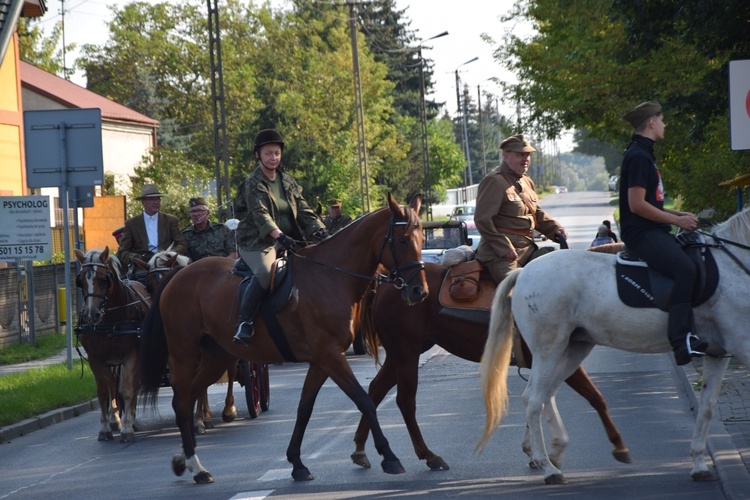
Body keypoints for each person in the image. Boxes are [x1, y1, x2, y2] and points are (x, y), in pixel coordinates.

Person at [618, 100, 708, 366]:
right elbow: (636, 205)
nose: (665, 125)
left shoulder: (644, 153)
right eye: (662, 119)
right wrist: (675, 221)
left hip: (652, 229)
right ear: (652, 122)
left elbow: (650, 203)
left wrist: (677, 215)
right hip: (641, 234)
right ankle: (681, 341)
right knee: (685, 270)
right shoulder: (638, 155)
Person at [232, 129, 328, 345]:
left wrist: (319, 229)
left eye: (276, 153)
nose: (273, 158)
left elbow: (303, 209)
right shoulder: (253, 183)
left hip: (290, 238)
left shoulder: (287, 180)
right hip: (258, 242)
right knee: (266, 273)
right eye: (268, 153)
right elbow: (260, 215)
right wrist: (279, 236)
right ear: (258, 155)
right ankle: (244, 322)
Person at [474, 133, 568, 284]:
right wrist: (504, 248)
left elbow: (536, 213)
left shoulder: (526, 182)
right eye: (520, 155)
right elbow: (482, 220)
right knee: (515, 289)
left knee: (559, 271)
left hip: (527, 250)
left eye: (528, 155)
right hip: (499, 255)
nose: (525, 159)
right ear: (506, 156)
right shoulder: (494, 181)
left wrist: (555, 229)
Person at [117, 184, 188, 276]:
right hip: (144, 265)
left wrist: (171, 254)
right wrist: (133, 258)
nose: (156, 202)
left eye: (158, 199)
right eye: (151, 199)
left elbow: (182, 243)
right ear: (143, 202)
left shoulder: (171, 220)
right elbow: (123, 251)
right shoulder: (132, 223)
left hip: (167, 262)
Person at [181, 197, 238, 262]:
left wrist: (221, 265)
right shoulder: (186, 235)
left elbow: (234, 254)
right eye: (192, 211)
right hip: (199, 269)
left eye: (199, 210)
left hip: (223, 267)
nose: (196, 214)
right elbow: (187, 260)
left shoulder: (222, 229)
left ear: (207, 213)